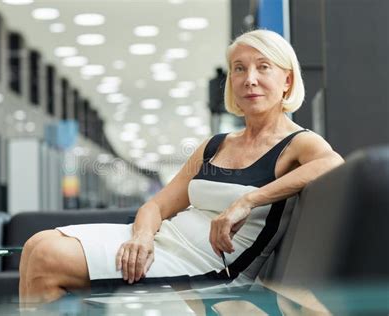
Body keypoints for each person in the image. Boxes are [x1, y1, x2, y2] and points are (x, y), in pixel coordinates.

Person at [19, 29, 344, 305]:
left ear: (287, 80)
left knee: (48, 258)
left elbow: (333, 164)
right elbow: (157, 205)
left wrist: (248, 200)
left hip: (208, 266)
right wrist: (143, 237)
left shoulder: (298, 143)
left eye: (263, 67)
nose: (250, 79)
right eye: (239, 69)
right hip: (161, 244)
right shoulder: (216, 145)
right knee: (35, 244)